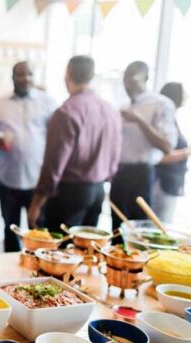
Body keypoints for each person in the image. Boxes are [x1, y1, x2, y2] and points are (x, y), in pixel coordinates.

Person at [28, 56, 122, 232]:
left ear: (67, 74)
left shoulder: (66, 112)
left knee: (59, 252)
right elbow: (115, 154)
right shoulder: (109, 109)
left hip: (69, 192)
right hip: (98, 190)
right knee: (85, 249)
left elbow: (53, 164)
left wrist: (37, 202)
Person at [0, 62, 55, 251]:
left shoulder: (47, 102)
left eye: (29, 74)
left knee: (38, 229)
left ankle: (38, 271)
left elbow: (56, 135)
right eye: (21, 75)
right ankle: (11, 272)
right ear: (12, 77)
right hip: (9, 178)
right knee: (10, 228)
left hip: (37, 180)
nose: (26, 79)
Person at [110, 61, 178, 231]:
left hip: (142, 174)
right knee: (117, 229)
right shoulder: (124, 105)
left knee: (139, 230)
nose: (127, 84)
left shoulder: (160, 104)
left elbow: (167, 145)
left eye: (133, 79)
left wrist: (140, 121)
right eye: (125, 79)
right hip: (119, 173)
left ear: (146, 78)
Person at [154, 82, 191, 223]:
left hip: (169, 182)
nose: (186, 96)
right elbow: (159, 157)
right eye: (183, 92)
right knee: (159, 224)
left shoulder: (171, 120)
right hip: (162, 181)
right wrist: (190, 151)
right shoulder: (164, 121)